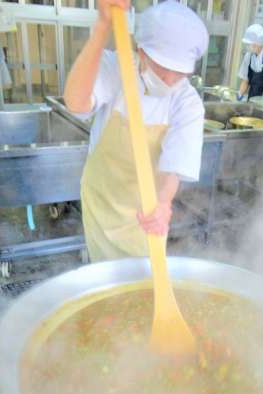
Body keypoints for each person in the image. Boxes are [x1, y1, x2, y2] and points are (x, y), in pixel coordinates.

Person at [64, 0, 209, 262]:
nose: (170, 80)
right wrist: (103, 26)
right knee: (104, 273)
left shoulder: (187, 102)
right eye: (163, 67)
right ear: (142, 52)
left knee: (145, 274)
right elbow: (76, 103)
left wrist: (163, 203)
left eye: (180, 72)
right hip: (103, 200)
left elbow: (174, 165)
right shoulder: (117, 68)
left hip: (147, 209)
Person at [237, 24, 263, 101]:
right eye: (247, 44)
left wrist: (259, 105)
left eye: (250, 44)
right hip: (253, 96)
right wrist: (239, 96)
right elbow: (245, 81)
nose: (248, 46)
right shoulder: (248, 56)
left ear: (259, 43)